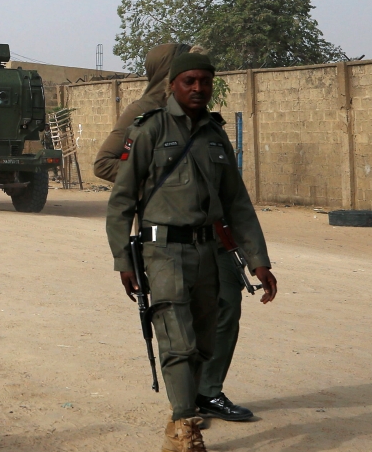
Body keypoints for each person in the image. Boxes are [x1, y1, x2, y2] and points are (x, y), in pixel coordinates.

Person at [106, 52, 277, 452]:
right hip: (162, 252)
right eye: (189, 81)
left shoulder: (217, 136)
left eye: (204, 81)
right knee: (177, 342)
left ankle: (174, 430)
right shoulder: (149, 130)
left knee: (202, 342)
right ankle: (190, 443)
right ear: (173, 84)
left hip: (207, 253)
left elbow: (238, 203)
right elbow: (120, 202)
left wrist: (259, 260)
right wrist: (123, 260)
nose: (198, 88)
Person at [94, 43, 253, 421]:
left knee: (227, 306)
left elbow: (234, 193)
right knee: (176, 321)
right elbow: (105, 164)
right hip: (167, 235)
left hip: (214, 232)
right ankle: (187, 410)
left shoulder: (203, 117)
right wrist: (162, 183)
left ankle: (208, 390)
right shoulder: (143, 114)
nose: (197, 84)